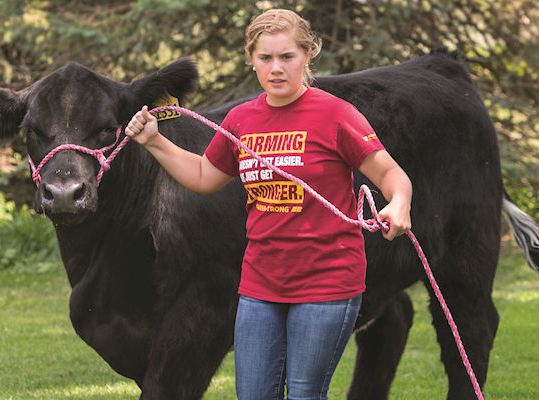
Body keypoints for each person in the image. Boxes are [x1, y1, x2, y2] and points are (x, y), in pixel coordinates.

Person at [126, 8, 412, 400]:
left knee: (306, 393)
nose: (276, 68)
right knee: (255, 394)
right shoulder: (242, 120)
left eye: (287, 57)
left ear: (308, 55)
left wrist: (399, 205)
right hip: (261, 285)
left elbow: (393, 175)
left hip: (327, 283)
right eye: (265, 58)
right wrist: (156, 141)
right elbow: (204, 176)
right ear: (252, 59)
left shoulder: (335, 114)